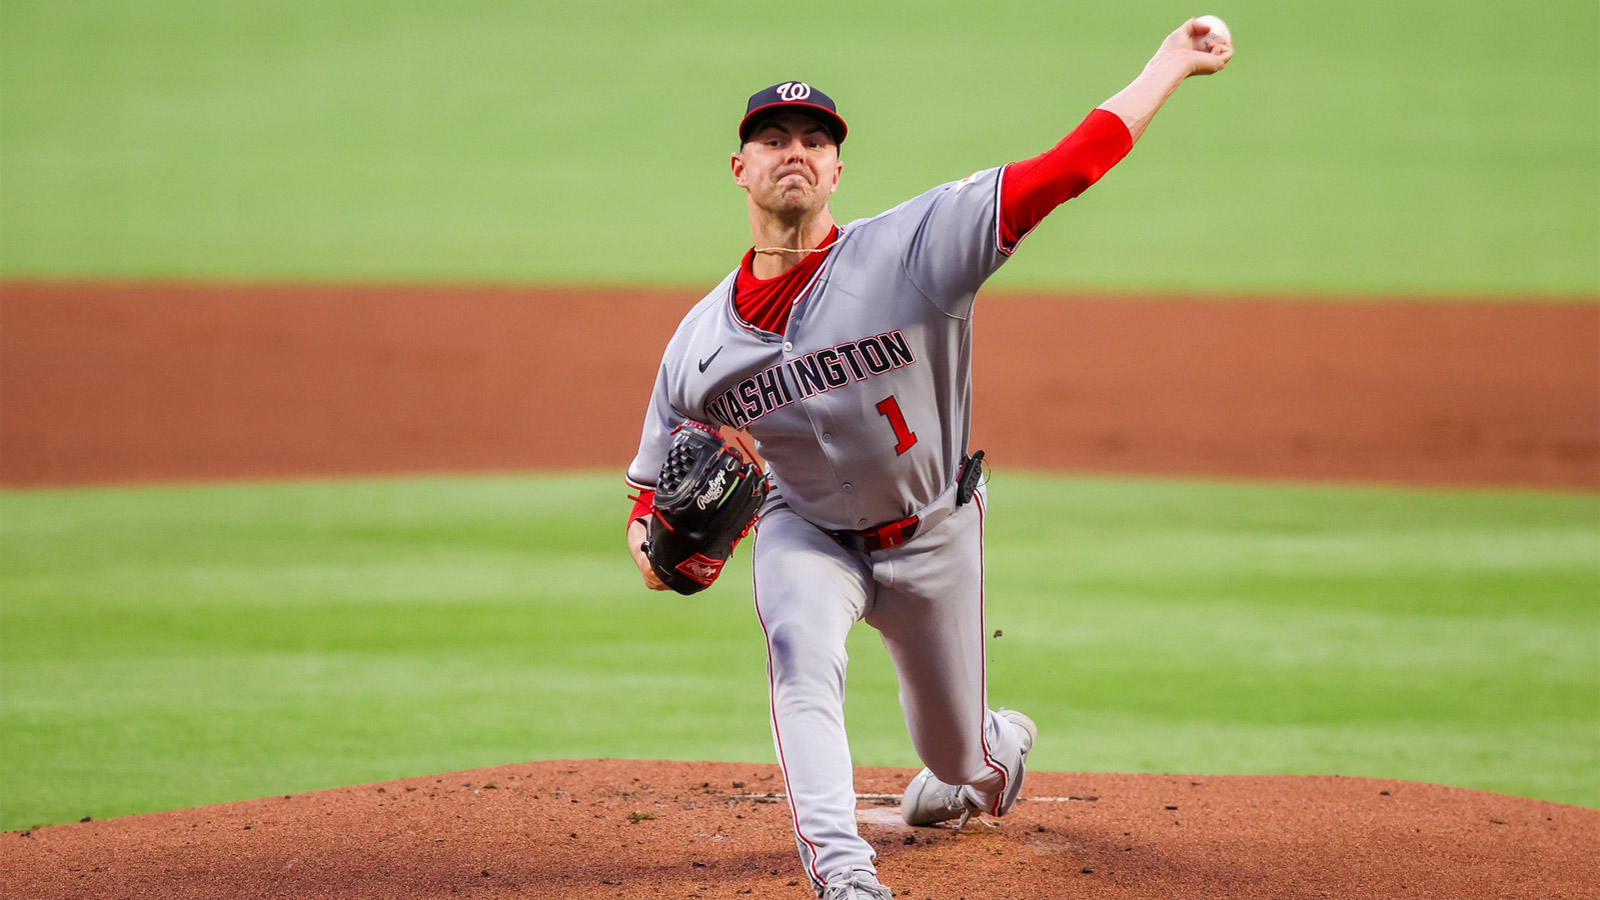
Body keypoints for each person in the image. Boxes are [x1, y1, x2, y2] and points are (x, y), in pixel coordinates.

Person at [623, 19, 1233, 900]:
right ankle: (846, 877)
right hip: (806, 535)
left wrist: (1168, 63)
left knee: (958, 757)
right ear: (740, 168)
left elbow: (1068, 168)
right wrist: (661, 561)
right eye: (772, 138)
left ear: (837, 170)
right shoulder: (697, 348)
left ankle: (994, 751)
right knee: (800, 652)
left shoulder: (914, 250)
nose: (794, 151)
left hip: (934, 536)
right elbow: (646, 516)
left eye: (815, 140)